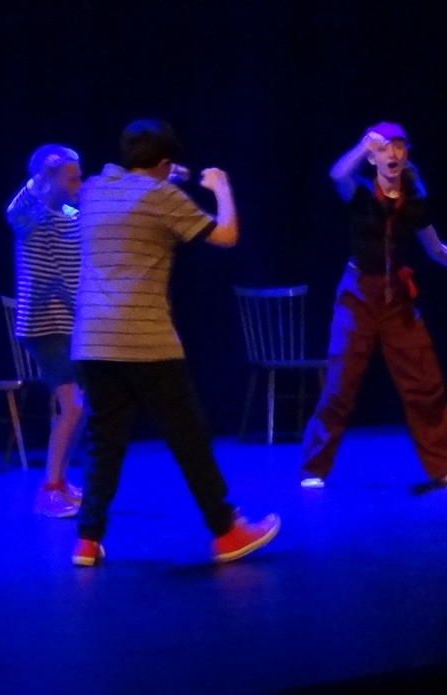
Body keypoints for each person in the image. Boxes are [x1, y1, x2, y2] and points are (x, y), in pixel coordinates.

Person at [69, 119, 279, 566]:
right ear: (164, 163)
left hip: (92, 340)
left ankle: (87, 540)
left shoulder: (94, 190)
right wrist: (221, 188)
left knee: (104, 442)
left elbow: (137, 190)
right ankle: (226, 531)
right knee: (189, 439)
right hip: (145, 339)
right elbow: (226, 235)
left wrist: (168, 175)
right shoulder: (163, 198)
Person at [299, 122, 447, 489]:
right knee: (339, 384)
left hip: (397, 296)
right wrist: (363, 143)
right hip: (358, 295)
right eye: (384, 148)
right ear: (372, 158)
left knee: (424, 382)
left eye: (398, 147)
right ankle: (314, 468)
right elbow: (337, 174)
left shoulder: (414, 202)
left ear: (406, 153)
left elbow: (437, 250)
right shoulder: (360, 193)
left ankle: (446, 466)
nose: (392, 154)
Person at [6, 144, 87, 518]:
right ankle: (49, 490)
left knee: (78, 408)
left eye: (78, 177)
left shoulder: (72, 215)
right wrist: (40, 175)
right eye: (70, 178)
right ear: (49, 179)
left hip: (71, 322)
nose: (77, 184)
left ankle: (60, 481)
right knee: (73, 406)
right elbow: (15, 210)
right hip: (44, 322)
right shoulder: (32, 215)